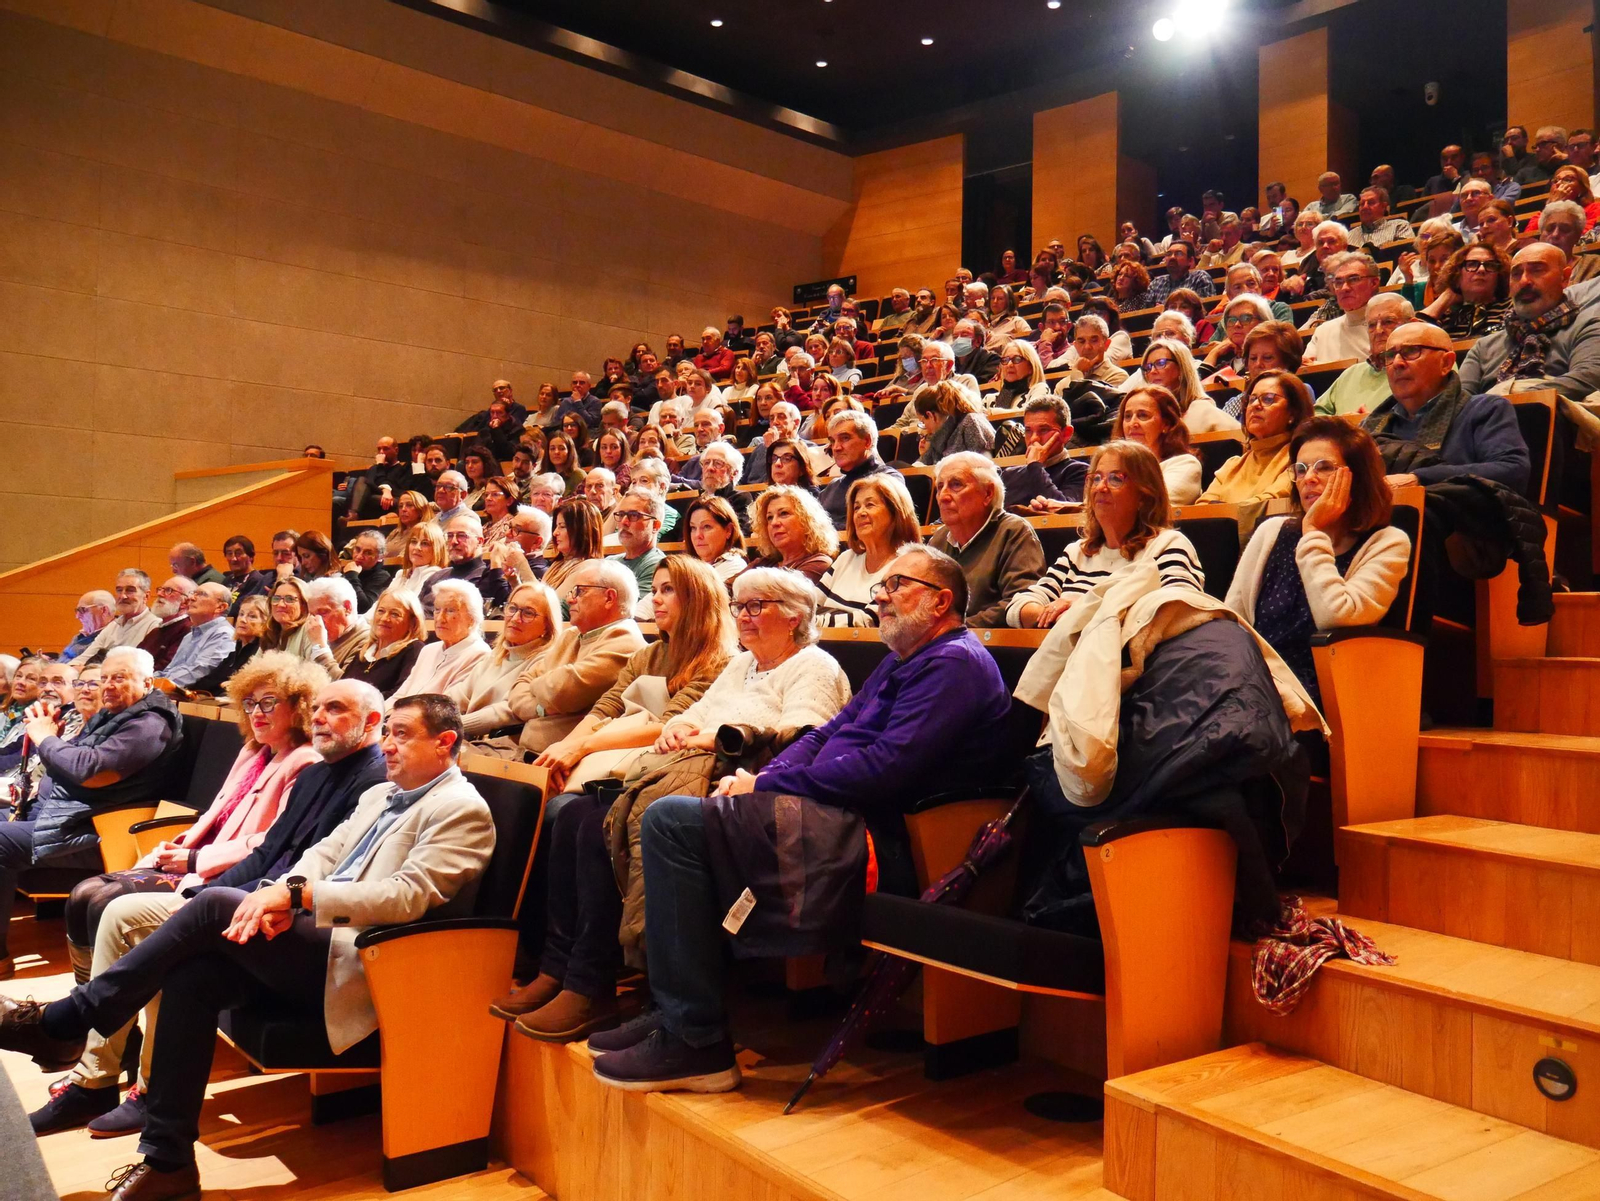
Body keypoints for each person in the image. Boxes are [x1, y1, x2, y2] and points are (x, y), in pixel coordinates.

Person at [0, 693, 495, 1194]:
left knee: (216, 904)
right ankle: (169, 1162)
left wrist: (297, 895)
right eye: (386, 731)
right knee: (192, 979)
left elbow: (407, 897)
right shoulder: (379, 796)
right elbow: (321, 855)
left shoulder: (463, 809)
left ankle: (67, 1020)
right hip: (312, 935)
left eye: (402, 734)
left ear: (445, 742)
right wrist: (280, 898)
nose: (387, 744)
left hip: (372, 961)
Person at [590, 545, 1011, 1092]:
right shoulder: (905, 659)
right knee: (676, 813)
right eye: (878, 587)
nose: (879, 597)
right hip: (841, 812)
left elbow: (886, 770)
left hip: (891, 836)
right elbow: (826, 735)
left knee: (673, 820)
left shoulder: (954, 663)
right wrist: (755, 783)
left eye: (895, 586)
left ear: (940, 601)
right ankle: (679, 1011)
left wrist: (766, 783)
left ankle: (695, 1039)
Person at [35, 653, 326, 1132]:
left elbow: (269, 842)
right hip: (197, 864)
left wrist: (195, 863)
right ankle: (101, 1054)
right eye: (249, 702)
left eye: (269, 702)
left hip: (230, 879)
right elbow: (216, 815)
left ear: (298, 704)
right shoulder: (255, 751)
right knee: (90, 896)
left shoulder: (304, 761)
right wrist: (176, 847)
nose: (256, 712)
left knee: (114, 907)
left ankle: (105, 1060)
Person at [0, 647, 183, 978]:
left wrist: (45, 738)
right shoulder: (113, 716)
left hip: (95, 833)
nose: (109, 685)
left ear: (148, 682)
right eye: (105, 678)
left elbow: (88, 770)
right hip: (59, 817)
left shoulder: (150, 725)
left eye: (121, 678)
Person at [1227, 419, 1411, 707]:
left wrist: (1313, 533)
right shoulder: (1272, 531)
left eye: (1324, 467)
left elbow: (1335, 617)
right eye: (1300, 469)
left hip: (1324, 695)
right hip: (1253, 682)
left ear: (1358, 478)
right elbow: (1232, 622)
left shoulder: (1387, 542)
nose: (1308, 478)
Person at [1008, 442, 1206, 627]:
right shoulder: (1077, 552)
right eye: (1096, 478)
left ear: (1144, 496)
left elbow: (1179, 611)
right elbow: (1018, 608)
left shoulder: (1168, 545)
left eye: (1115, 479)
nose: (1101, 488)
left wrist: (1083, 610)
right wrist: (1063, 617)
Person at [494, 561, 647, 757]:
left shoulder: (625, 640)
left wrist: (539, 686)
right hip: (525, 752)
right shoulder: (570, 635)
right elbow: (518, 687)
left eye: (579, 591)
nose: (569, 600)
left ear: (609, 598)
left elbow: (561, 691)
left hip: (562, 763)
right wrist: (543, 709)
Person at [1363, 322, 1530, 491]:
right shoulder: (1369, 427)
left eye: (1411, 351)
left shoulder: (1485, 409)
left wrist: (1419, 479)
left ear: (1446, 363)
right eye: (1390, 355)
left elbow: (1513, 471)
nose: (1397, 363)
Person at [1459, 243, 1600, 404]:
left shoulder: (1588, 327)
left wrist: (1516, 401)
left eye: (1537, 270)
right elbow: (1459, 401)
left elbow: (1590, 377)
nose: (1524, 281)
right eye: (1517, 274)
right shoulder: (1483, 347)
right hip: (1485, 425)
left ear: (1565, 278)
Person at [926, 453, 1047, 627]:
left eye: (956, 485)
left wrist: (955, 630)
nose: (943, 496)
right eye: (939, 487)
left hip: (988, 647)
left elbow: (1019, 601)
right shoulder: (938, 539)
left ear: (988, 493)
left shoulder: (1014, 531)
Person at [1196, 371, 1315, 530]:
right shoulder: (1232, 464)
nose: (1255, 405)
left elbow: (1270, 504)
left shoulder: (1299, 460)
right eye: (1251, 399)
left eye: (1268, 399)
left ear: (1292, 413)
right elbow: (1202, 507)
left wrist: (1223, 510)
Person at [816, 476, 921, 627]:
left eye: (870, 505)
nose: (860, 513)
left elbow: (868, 620)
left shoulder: (907, 566)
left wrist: (810, 623)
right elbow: (809, 605)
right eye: (857, 507)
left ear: (895, 512)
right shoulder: (846, 558)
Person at [392, 580, 492, 702]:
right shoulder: (428, 650)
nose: (440, 618)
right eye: (437, 609)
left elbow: (445, 705)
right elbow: (400, 695)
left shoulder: (479, 654)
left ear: (472, 618)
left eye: (450, 611)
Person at [1315, 293, 1413, 417]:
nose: (1378, 331)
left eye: (1388, 322)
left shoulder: (1414, 372)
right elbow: (1315, 414)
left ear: (1410, 324)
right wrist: (1342, 424)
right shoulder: (1350, 374)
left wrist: (1371, 422)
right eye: (1371, 325)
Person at [1110, 386, 1203, 506]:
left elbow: (1157, 507)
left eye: (1143, 415)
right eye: (1127, 416)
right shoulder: (1113, 467)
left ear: (1166, 424)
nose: (1132, 423)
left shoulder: (1186, 465)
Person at [1001, 395, 1089, 510]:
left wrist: (1035, 465)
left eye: (1044, 430)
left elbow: (1063, 513)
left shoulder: (1080, 472)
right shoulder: (1009, 474)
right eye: (1028, 431)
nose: (1033, 439)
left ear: (1066, 433)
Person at [818, 409, 901, 530]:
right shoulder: (830, 489)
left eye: (845, 438)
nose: (836, 447)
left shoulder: (888, 478)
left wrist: (826, 528)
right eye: (832, 441)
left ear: (867, 441)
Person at [417, 513, 511, 619]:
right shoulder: (435, 577)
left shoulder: (489, 578)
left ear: (480, 542)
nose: (454, 541)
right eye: (450, 536)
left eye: (462, 536)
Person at [1139, 337, 1239, 434]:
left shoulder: (1202, 409)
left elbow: (1240, 437)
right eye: (1147, 367)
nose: (1152, 371)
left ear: (1181, 368)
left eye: (1161, 363)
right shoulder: (1143, 413)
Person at [748, 486, 838, 585]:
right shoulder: (763, 563)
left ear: (807, 520)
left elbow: (781, 596)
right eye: (769, 517)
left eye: (783, 513)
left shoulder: (819, 563)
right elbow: (728, 589)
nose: (774, 523)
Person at [1420, 242, 1513, 340]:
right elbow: (1410, 340)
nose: (1481, 270)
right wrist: (1445, 297)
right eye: (1472, 264)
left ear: (1499, 275)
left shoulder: (1512, 308)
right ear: (1457, 273)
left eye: (1490, 265)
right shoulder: (1445, 317)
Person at [1304, 251, 1383, 363]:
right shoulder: (1323, 331)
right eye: (1339, 282)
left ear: (1374, 283)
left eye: (1354, 279)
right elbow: (1307, 368)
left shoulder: (1387, 325)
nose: (1344, 288)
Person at [153, 583, 233, 690]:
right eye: (193, 593)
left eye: (202, 594)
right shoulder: (189, 636)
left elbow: (199, 671)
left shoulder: (223, 634)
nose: (191, 598)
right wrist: (148, 680)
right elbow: (170, 669)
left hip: (195, 699)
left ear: (220, 607)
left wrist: (156, 684)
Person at [186, 596, 269, 697]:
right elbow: (212, 679)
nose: (243, 620)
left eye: (252, 616)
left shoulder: (261, 651)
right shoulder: (235, 649)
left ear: (266, 623)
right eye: (241, 614)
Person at [77, 571, 160, 665]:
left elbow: (135, 667)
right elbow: (82, 660)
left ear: (146, 596)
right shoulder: (113, 626)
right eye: (119, 590)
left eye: (130, 590)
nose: (123, 596)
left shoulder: (155, 626)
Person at [609, 489, 668, 620]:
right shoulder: (610, 561)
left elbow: (628, 613)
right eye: (621, 514)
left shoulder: (658, 565)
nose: (624, 522)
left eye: (634, 515)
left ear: (656, 525)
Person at [913, 380, 995, 465]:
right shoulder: (937, 438)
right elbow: (920, 465)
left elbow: (985, 465)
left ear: (930, 416)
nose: (925, 427)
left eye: (923, 421)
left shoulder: (972, 422)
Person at [383, 521, 447, 610]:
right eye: (413, 542)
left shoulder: (434, 575)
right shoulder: (401, 574)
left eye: (425, 543)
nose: (417, 547)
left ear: (436, 549)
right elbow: (379, 606)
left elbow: (410, 610)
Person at [137, 577, 197, 672]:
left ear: (185, 602)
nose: (159, 594)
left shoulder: (187, 630)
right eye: (161, 589)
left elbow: (167, 668)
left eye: (169, 591)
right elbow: (134, 657)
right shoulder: (156, 631)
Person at [685, 497, 748, 583]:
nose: (697, 535)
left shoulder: (735, 566)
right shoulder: (688, 567)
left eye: (706, 526)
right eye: (693, 528)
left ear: (728, 530)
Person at [338, 529, 393, 609]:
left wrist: (352, 576)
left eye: (368, 553)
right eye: (357, 549)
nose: (359, 556)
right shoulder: (348, 571)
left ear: (380, 557)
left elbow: (363, 607)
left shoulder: (382, 577)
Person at [1347, 187, 1414, 249]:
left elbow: (1407, 254)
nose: (1365, 207)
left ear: (1383, 206)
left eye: (1370, 203)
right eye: (1362, 204)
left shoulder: (1400, 226)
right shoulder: (1349, 236)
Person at [61, 591, 116, 662]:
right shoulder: (80, 636)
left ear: (104, 610)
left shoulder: (112, 637)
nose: (77, 616)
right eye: (77, 611)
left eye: (82, 610)